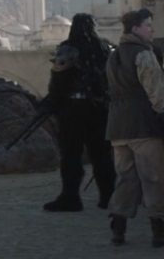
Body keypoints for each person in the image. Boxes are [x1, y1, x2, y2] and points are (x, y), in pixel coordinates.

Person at [106, 9, 164, 248]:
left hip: (118, 129)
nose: (152, 30)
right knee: (154, 178)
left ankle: (118, 229)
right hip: (144, 127)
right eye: (148, 25)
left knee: (126, 179)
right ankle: (159, 231)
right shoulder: (144, 54)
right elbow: (157, 92)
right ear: (135, 28)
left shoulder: (113, 57)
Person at [41, 13, 117, 212]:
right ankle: (108, 196)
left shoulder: (68, 48)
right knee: (101, 154)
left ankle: (71, 197)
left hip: (73, 111)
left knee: (71, 154)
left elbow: (59, 80)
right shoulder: (106, 48)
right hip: (100, 109)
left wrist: (53, 101)